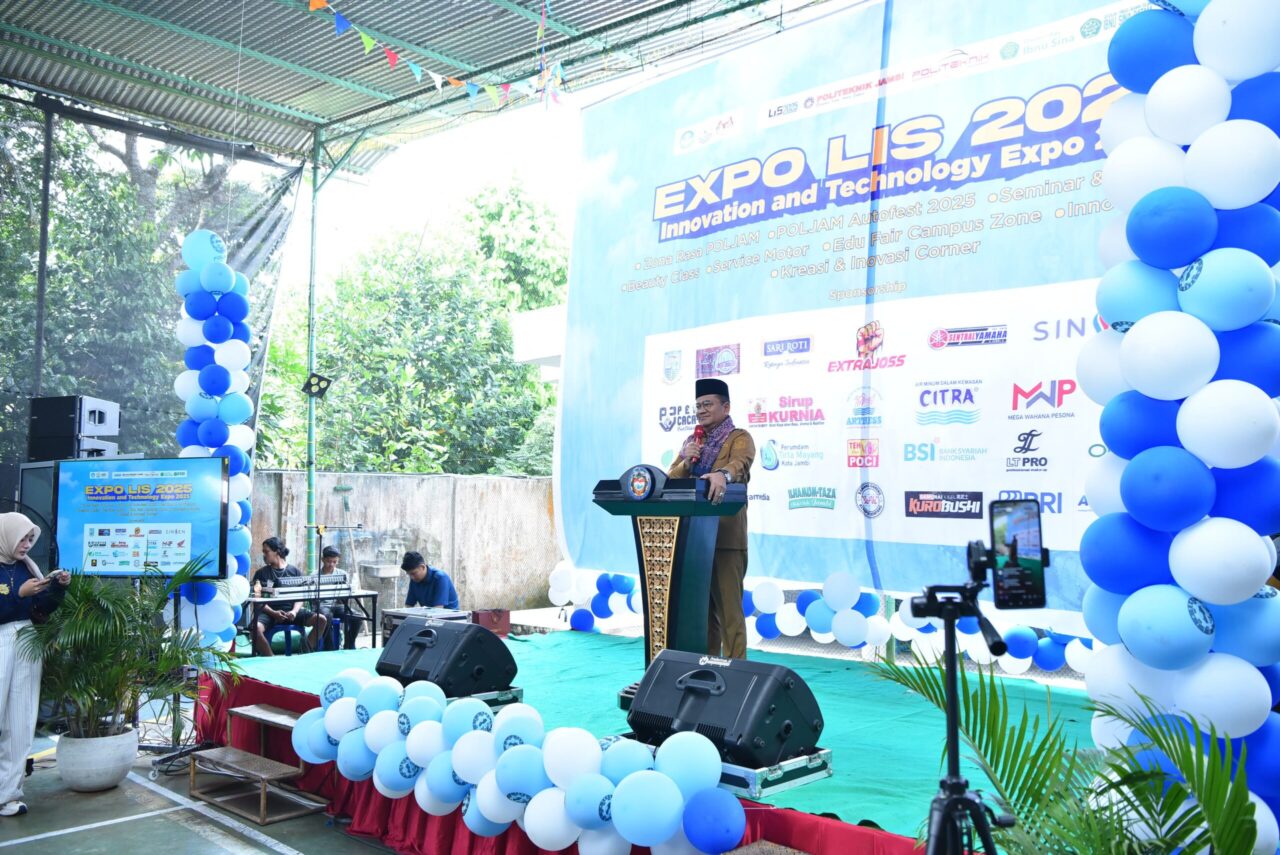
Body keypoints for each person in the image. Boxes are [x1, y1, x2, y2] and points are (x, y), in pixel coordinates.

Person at [666, 378, 755, 659]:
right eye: (697, 406)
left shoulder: (739, 438)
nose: (701, 410)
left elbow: (740, 465)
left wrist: (722, 475)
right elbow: (669, 480)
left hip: (726, 538)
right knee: (700, 616)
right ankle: (707, 669)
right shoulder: (692, 442)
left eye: (707, 404)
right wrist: (685, 460)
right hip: (693, 540)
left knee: (729, 614)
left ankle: (736, 672)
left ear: (725, 407)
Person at [0, 513, 69, 817]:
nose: (27, 545)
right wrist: (19, 594)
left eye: (31, 539)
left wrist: (57, 589)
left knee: (21, 719)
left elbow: (40, 609)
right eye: (22, 538)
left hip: (26, 640)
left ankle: (8, 794)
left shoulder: (27, 567)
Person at [250, 537, 328, 655]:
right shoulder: (261, 573)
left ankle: (304, 651)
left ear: (277, 552)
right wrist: (273, 613)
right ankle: (271, 658)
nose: (264, 555)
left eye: (266, 552)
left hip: (292, 612)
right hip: (269, 612)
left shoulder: (294, 571)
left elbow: (301, 596)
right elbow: (257, 600)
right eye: (263, 552)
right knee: (255, 628)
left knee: (321, 620)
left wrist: (294, 611)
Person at [318, 546, 362, 649]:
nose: (331, 565)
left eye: (335, 562)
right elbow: (313, 599)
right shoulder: (315, 575)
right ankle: (329, 648)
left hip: (337, 606)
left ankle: (349, 645)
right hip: (322, 606)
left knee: (357, 617)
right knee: (326, 616)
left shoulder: (342, 574)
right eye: (329, 561)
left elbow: (345, 597)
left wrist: (344, 595)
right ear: (322, 559)